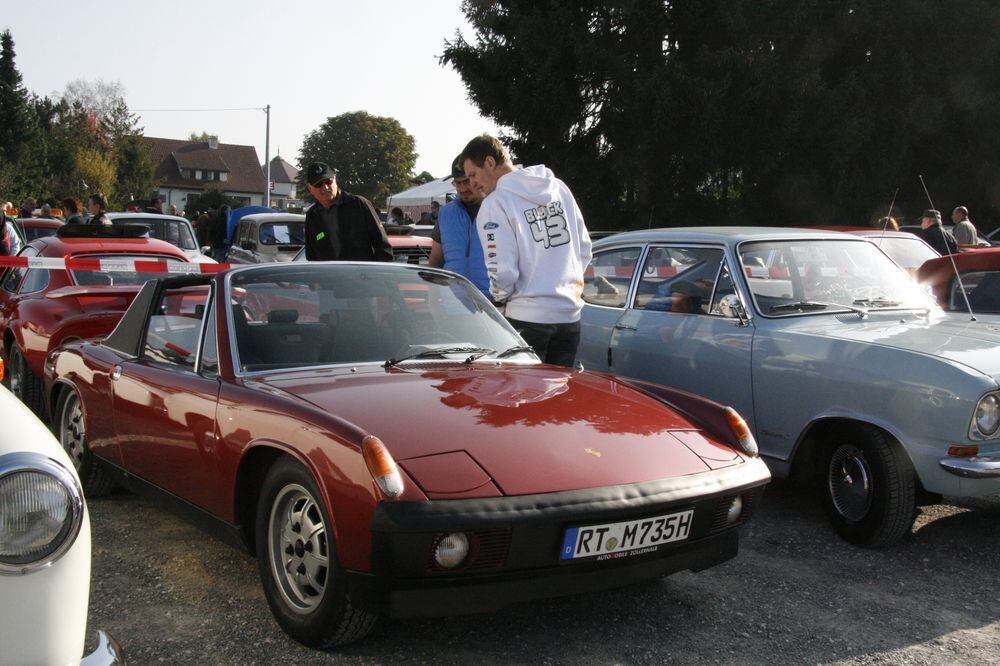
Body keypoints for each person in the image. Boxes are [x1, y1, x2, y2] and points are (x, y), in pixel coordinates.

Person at [460, 134, 592, 367]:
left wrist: (500, 303)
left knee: (524, 400)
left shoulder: (496, 203)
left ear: (490, 163)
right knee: (561, 399)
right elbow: (584, 248)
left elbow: (502, 271)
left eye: (473, 175)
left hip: (526, 318)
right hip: (570, 316)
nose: (471, 184)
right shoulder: (559, 188)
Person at [303, 162, 392, 262]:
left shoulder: (359, 205)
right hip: (329, 276)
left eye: (328, 182)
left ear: (335, 179)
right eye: (318, 184)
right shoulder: (312, 216)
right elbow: (311, 256)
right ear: (310, 189)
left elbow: (383, 246)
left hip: (360, 275)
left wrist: (374, 274)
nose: (325, 188)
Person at [429, 154, 490, 298]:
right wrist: (432, 299)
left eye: (466, 181)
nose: (462, 188)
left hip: (493, 305)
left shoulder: (498, 209)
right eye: (457, 183)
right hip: (452, 303)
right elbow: (436, 260)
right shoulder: (445, 213)